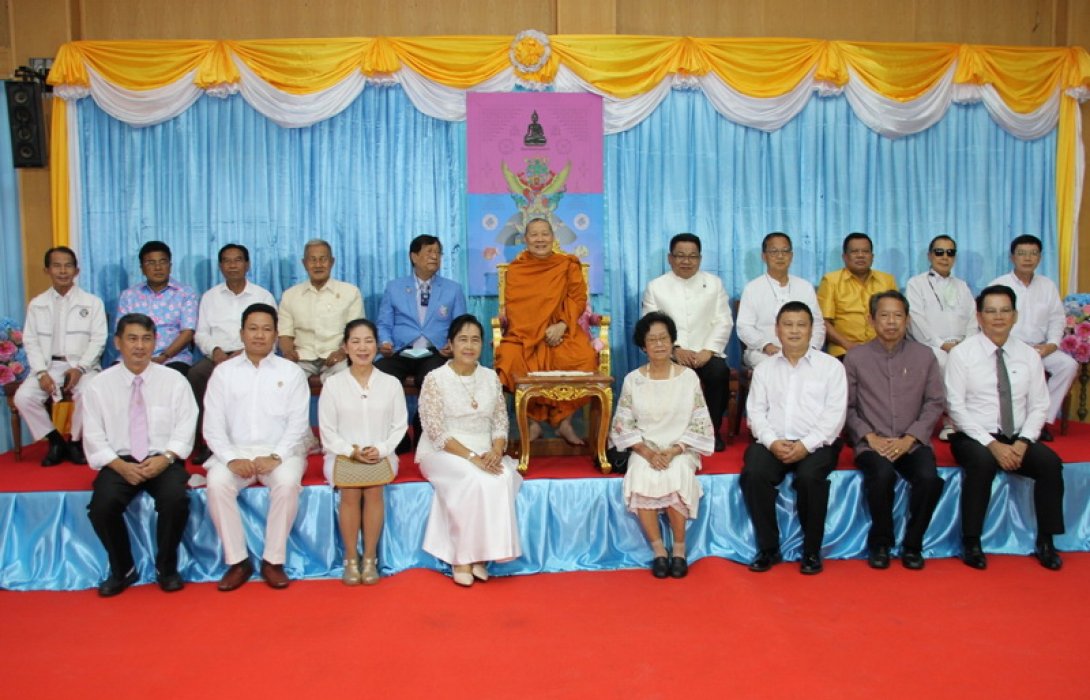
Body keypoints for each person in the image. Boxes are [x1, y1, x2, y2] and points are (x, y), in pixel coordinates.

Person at [945, 285, 1065, 571]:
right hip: (973, 435)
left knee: (1050, 464)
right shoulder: (963, 354)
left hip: (1017, 436)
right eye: (990, 311)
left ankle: (1046, 541)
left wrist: (1023, 442)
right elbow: (955, 407)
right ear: (979, 316)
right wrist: (991, 444)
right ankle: (971, 541)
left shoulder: (1028, 355)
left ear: (1015, 315)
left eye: (1004, 311)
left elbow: (1039, 405)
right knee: (982, 464)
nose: (998, 317)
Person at [82, 313, 197, 596]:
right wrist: (119, 466)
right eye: (132, 339)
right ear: (117, 343)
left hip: (163, 458)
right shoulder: (98, 385)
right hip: (119, 461)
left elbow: (186, 425)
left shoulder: (173, 380)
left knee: (175, 500)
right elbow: (94, 435)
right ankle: (123, 569)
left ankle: (166, 568)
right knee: (101, 506)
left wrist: (167, 458)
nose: (139, 346)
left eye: (147, 339)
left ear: (155, 342)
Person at [204, 303, 311, 590]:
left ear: (276, 334)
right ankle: (238, 562)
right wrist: (229, 458)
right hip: (235, 452)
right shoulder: (223, 373)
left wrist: (277, 456)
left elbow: (298, 424)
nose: (259, 335)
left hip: (281, 452)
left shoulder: (291, 372)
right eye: (253, 329)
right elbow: (212, 426)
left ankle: (273, 561)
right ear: (241, 333)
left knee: (287, 484)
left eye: (266, 329)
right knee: (216, 483)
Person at [740, 301, 847, 575]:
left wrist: (805, 445)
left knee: (811, 478)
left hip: (817, 443)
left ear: (812, 330)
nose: (795, 331)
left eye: (801, 325)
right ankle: (768, 548)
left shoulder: (831, 367)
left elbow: (834, 418)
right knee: (753, 472)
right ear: (777, 329)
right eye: (788, 325)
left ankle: (811, 552)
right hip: (773, 441)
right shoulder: (765, 369)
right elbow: (755, 413)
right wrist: (772, 442)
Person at [418, 314, 522, 587]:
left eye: (475, 339)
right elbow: (435, 431)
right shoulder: (435, 379)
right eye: (462, 339)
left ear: (482, 345)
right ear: (450, 344)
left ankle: (482, 556)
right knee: (471, 478)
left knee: (502, 477)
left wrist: (497, 450)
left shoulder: (489, 377)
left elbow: (500, 421)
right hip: (443, 451)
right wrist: (472, 458)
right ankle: (461, 558)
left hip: (484, 448)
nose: (469, 345)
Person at [844, 291, 945, 570]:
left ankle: (913, 545)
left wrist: (911, 438)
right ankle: (881, 542)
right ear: (871, 320)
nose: (891, 322)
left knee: (928, 477)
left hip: (913, 441)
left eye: (898, 316)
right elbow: (847, 408)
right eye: (884, 316)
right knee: (881, 474)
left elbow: (935, 402)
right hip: (872, 443)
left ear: (907, 319)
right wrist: (870, 437)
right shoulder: (855, 358)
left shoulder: (924, 357)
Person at [610, 311, 714, 579]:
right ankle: (658, 551)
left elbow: (700, 421)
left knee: (677, 474)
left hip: (681, 448)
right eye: (652, 340)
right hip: (644, 449)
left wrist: (674, 450)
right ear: (643, 346)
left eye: (663, 339)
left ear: (672, 342)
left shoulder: (688, 378)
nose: (658, 344)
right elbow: (623, 423)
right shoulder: (634, 379)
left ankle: (679, 550)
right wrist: (646, 452)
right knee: (640, 476)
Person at [319, 319, 408, 586]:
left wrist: (380, 449)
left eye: (368, 341)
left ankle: (369, 558)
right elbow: (327, 430)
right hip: (342, 454)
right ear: (345, 347)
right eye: (355, 341)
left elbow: (399, 425)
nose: (362, 347)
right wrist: (351, 450)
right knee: (350, 490)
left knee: (373, 489)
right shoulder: (333, 384)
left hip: (381, 454)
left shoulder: (391, 383)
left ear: (376, 346)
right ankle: (350, 558)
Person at [494, 218, 597, 445]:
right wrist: (537, 334)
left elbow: (578, 299)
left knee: (585, 357)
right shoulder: (517, 270)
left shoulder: (568, 264)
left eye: (544, 234)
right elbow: (515, 308)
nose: (540, 239)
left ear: (553, 237)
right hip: (525, 333)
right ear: (525, 239)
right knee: (510, 358)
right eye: (534, 235)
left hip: (563, 330)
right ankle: (533, 425)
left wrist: (561, 325)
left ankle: (565, 423)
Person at [15, 246, 107, 466]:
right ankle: (55, 441)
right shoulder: (37, 304)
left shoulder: (92, 302)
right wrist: (40, 372)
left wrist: (80, 368)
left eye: (68, 265)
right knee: (23, 397)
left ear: (77, 270)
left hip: (83, 367)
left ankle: (75, 442)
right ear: (47, 270)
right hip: (48, 366)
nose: (63, 271)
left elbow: (99, 339)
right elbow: (31, 341)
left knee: (89, 392)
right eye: (57, 265)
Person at [641, 232, 733, 451]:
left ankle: (711, 432)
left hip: (706, 352)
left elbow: (724, 321)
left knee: (719, 372)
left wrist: (708, 351)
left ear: (699, 258)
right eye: (680, 255)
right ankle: (670, 432)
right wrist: (675, 349)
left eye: (692, 256)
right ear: (669, 258)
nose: (686, 261)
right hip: (671, 353)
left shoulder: (714, 284)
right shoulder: (656, 287)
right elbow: (651, 325)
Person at [188, 243, 276, 465]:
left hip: (253, 355)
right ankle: (206, 442)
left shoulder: (262, 296)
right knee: (197, 374)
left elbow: (273, 333)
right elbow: (201, 334)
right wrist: (215, 351)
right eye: (227, 261)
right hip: (217, 357)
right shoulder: (210, 297)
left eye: (238, 260)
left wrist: (244, 352)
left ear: (247, 264)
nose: (233, 265)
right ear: (220, 266)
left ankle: (261, 439)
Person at [376, 234, 466, 446]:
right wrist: (385, 342)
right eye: (429, 252)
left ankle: (422, 432)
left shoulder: (452, 289)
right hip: (401, 350)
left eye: (437, 253)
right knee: (380, 376)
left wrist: (452, 346)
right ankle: (395, 437)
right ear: (414, 256)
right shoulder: (394, 287)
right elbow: (383, 323)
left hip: (435, 352)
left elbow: (460, 324)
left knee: (432, 377)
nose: (434, 257)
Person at [988, 234, 1077, 441]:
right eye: (1022, 253)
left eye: (1033, 253)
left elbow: (1057, 319)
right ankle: (1013, 423)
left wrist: (1052, 345)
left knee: (1068, 365)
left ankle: (1042, 421)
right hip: (1009, 348)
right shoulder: (998, 285)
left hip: (1040, 349)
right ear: (1012, 258)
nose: (1027, 258)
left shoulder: (1047, 286)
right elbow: (989, 321)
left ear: (1040, 257)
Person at [904, 235, 977, 440]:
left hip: (962, 344)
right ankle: (951, 420)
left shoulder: (962, 286)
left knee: (974, 360)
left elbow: (973, 318)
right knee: (946, 361)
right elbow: (916, 320)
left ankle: (974, 417)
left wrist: (966, 343)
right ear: (929, 255)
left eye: (950, 252)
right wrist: (942, 344)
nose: (944, 257)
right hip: (929, 345)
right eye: (939, 252)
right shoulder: (916, 283)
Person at [278, 239, 364, 382]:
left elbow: (356, 332)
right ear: (304, 263)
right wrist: (288, 352)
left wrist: (342, 352)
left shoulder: (350, 292)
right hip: (302, 357)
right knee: (285, 379)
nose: (318, 265)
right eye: (312, 260)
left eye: (323, 259)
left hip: (337, 357)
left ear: (332, 262)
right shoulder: (290, 295)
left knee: (346, 379)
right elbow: (285, 334)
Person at [736, 232, 825, 369]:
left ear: (791, 256)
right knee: (776, 366)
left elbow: (818, 324)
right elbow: (744, 326)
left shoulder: (805, 287)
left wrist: (811, 348)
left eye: (785, 251)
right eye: (774, 251)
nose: (780, 256)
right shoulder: (752, 288)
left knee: (819, 366)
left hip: (803, 351)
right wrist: (766, 346)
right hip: (764, 352)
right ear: (764, 256)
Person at [117, 241, 198, 375]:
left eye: (162, 262)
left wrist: (164, 356)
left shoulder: (185, 293)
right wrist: (140, 358)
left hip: (173, 357)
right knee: (113, 379)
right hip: (133, 356)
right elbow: (121, 333)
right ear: (142, 268)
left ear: (170, 266)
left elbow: (188, 332)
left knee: (172, 378)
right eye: (151, 263)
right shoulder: (129, 295)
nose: (158, 267)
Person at [817, 232, 897, 358]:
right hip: (844, 350)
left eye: (865, 251)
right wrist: (848, 345)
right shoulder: (831, 281)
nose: (860, 255)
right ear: (844, 257)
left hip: (883, 349)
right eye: (855, 251)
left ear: (872, 256)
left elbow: (897, 317)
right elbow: (823, 322)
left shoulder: (887, 280)